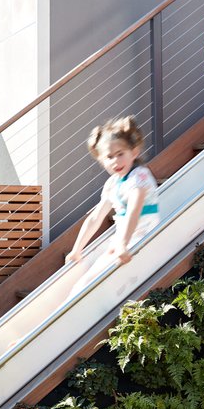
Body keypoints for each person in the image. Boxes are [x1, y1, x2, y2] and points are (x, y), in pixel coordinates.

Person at [65, 116, 159, 295]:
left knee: (91, 284)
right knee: (83, 284)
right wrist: (77, 249)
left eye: (120, 154)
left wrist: (123, 244)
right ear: (102, 160)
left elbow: (134, 210)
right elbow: (95, 217)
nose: (116, 161)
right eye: (109, 157)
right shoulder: (113, 184)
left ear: (134, 152)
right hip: (123, 239)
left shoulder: (140, 176)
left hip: (141, 238)